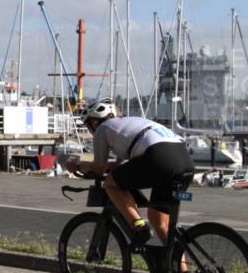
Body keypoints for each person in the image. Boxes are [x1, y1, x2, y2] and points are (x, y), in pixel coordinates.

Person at [70, 98, 195, 248]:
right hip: (184, 160)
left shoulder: (102, 129)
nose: (90, 131)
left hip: (159, 157)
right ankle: (178, 270)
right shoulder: (130, 123)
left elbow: (98, 169)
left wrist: (77, 165)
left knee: (111, 184)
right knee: (159, 220)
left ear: (94, 122)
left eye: (88, 126)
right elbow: (118, 165)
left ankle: (139, 227)